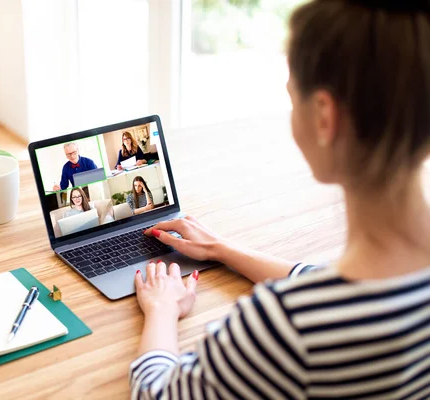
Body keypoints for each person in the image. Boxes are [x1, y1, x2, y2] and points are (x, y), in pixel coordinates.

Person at [130, 0, 430, 398]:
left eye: (292, 98)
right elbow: (336, 286)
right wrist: (222, 248)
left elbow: (157, 394)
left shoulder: (289, 325)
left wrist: (163, 310)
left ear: (325, 117)